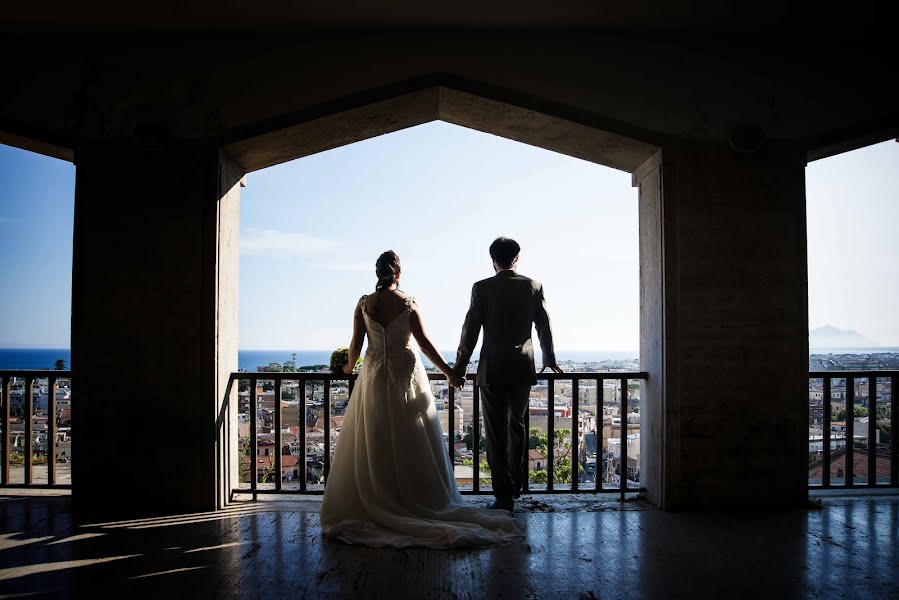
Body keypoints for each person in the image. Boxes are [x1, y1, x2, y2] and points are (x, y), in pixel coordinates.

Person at [319, 250, 523, 548]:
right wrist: (450, 373)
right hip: (406, 377)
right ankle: (415, 497)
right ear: (398, 274)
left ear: (377, 273)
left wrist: (347, 368)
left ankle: (377, 497)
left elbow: (355, 346)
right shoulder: (408, 304)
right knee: (409, 436)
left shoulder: (364, 304)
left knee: (375, 437)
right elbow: (425, 345)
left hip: (374, 378)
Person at [452, 237, 562, 512]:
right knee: (517, 426)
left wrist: (460, 366)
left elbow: (470, 331)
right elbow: (543, 325)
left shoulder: (482, 288)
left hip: (493, 368)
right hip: (522, 368)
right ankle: (516, 486)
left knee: (495, 432)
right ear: (517, 258)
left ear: (493, 260)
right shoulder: (533, 287)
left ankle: (503, 497)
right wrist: (548, 357)